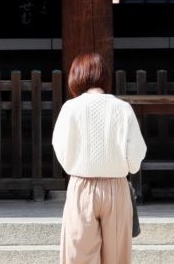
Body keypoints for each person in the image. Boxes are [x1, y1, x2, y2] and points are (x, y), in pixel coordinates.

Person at [52, 52, 147, 264]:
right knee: (117, 258)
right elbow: (136, 154)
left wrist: (77, 164)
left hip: (82, 187)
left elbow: (61, 148)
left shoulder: (70, 108)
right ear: (105, 77)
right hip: (116, 188)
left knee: (78, 256)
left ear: (76, 76)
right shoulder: (123, 108)